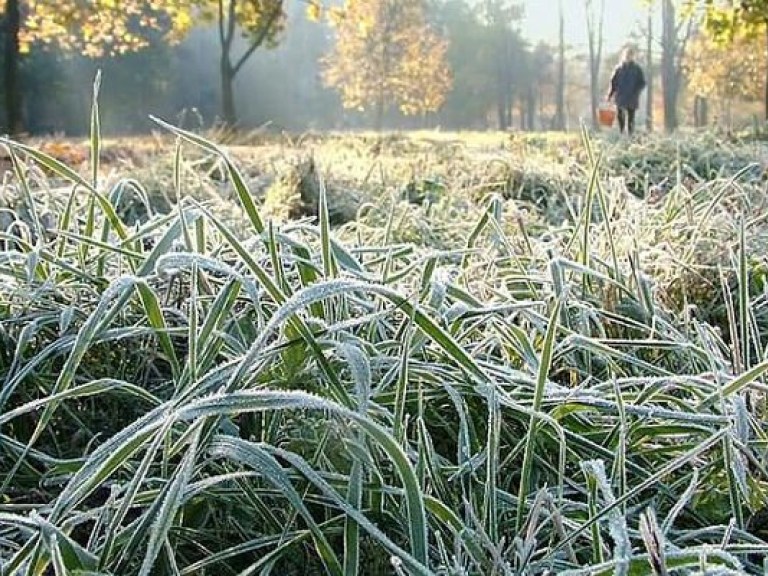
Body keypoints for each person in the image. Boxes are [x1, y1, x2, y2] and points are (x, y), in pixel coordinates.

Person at [606, 47, 646, 135]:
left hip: (632, 97)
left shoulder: (637, 69)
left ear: (633, 57)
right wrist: (610, 95)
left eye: (630, 56)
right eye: (627, 55)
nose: (628, 57)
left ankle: (630, 135)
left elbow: (642, 82)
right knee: (620, 115)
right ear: (624, 56)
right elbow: (613, 82)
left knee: (631, 117)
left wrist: (636, 91)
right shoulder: (619, 69)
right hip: (620, 96)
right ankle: (621, 132)